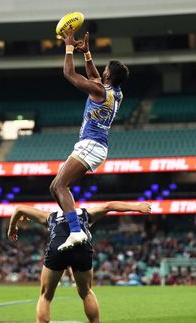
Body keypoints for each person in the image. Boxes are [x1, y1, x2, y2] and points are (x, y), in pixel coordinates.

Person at [8, 201, 151, 323]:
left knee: (46, 295)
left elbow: (19, 208)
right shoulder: (85, 214)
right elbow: (109, 206)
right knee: (86, 292)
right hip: (81, 247)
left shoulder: (50, 216)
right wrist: (137, 207)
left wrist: (13, 228)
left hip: (58, 246)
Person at [49, 30, 129, 251]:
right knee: (54, 187)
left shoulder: (99, 90)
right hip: (94, 145)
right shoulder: (116, 93)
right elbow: (95, 77)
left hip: (91, 144)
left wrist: (68, 47)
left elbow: (69, 74)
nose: (101, 72)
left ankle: (76, 230)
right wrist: (86, 53)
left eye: (105, 71)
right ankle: (72, 223)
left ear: (108, 77)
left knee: (61, 185)